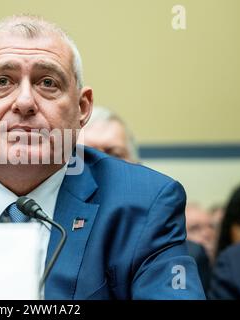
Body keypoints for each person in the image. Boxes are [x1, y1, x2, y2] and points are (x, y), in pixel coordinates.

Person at [0, 15, 205, 299]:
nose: (24, 102)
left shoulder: (144, 205)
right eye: (2, 82)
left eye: (47, 83)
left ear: (81, 108)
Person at [84, 106, 211, 291]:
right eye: (89, 155)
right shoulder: (53, 240)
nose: (104, 166)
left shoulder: (186, 254)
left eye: (115, 154)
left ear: (137, 165)